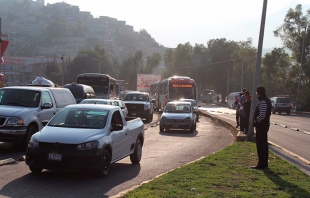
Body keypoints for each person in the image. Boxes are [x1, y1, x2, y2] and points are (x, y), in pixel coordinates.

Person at [251, 86, 271, 169]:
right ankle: (264, 163)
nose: (256, 94)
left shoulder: (263, 102)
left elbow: (262, 114)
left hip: (261, 126)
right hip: (263, 125)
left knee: (261, 145)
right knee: (263, 144)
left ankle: (261, 163)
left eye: (257, 92)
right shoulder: (265, 100)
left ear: (259, 93)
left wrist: (256, 121)